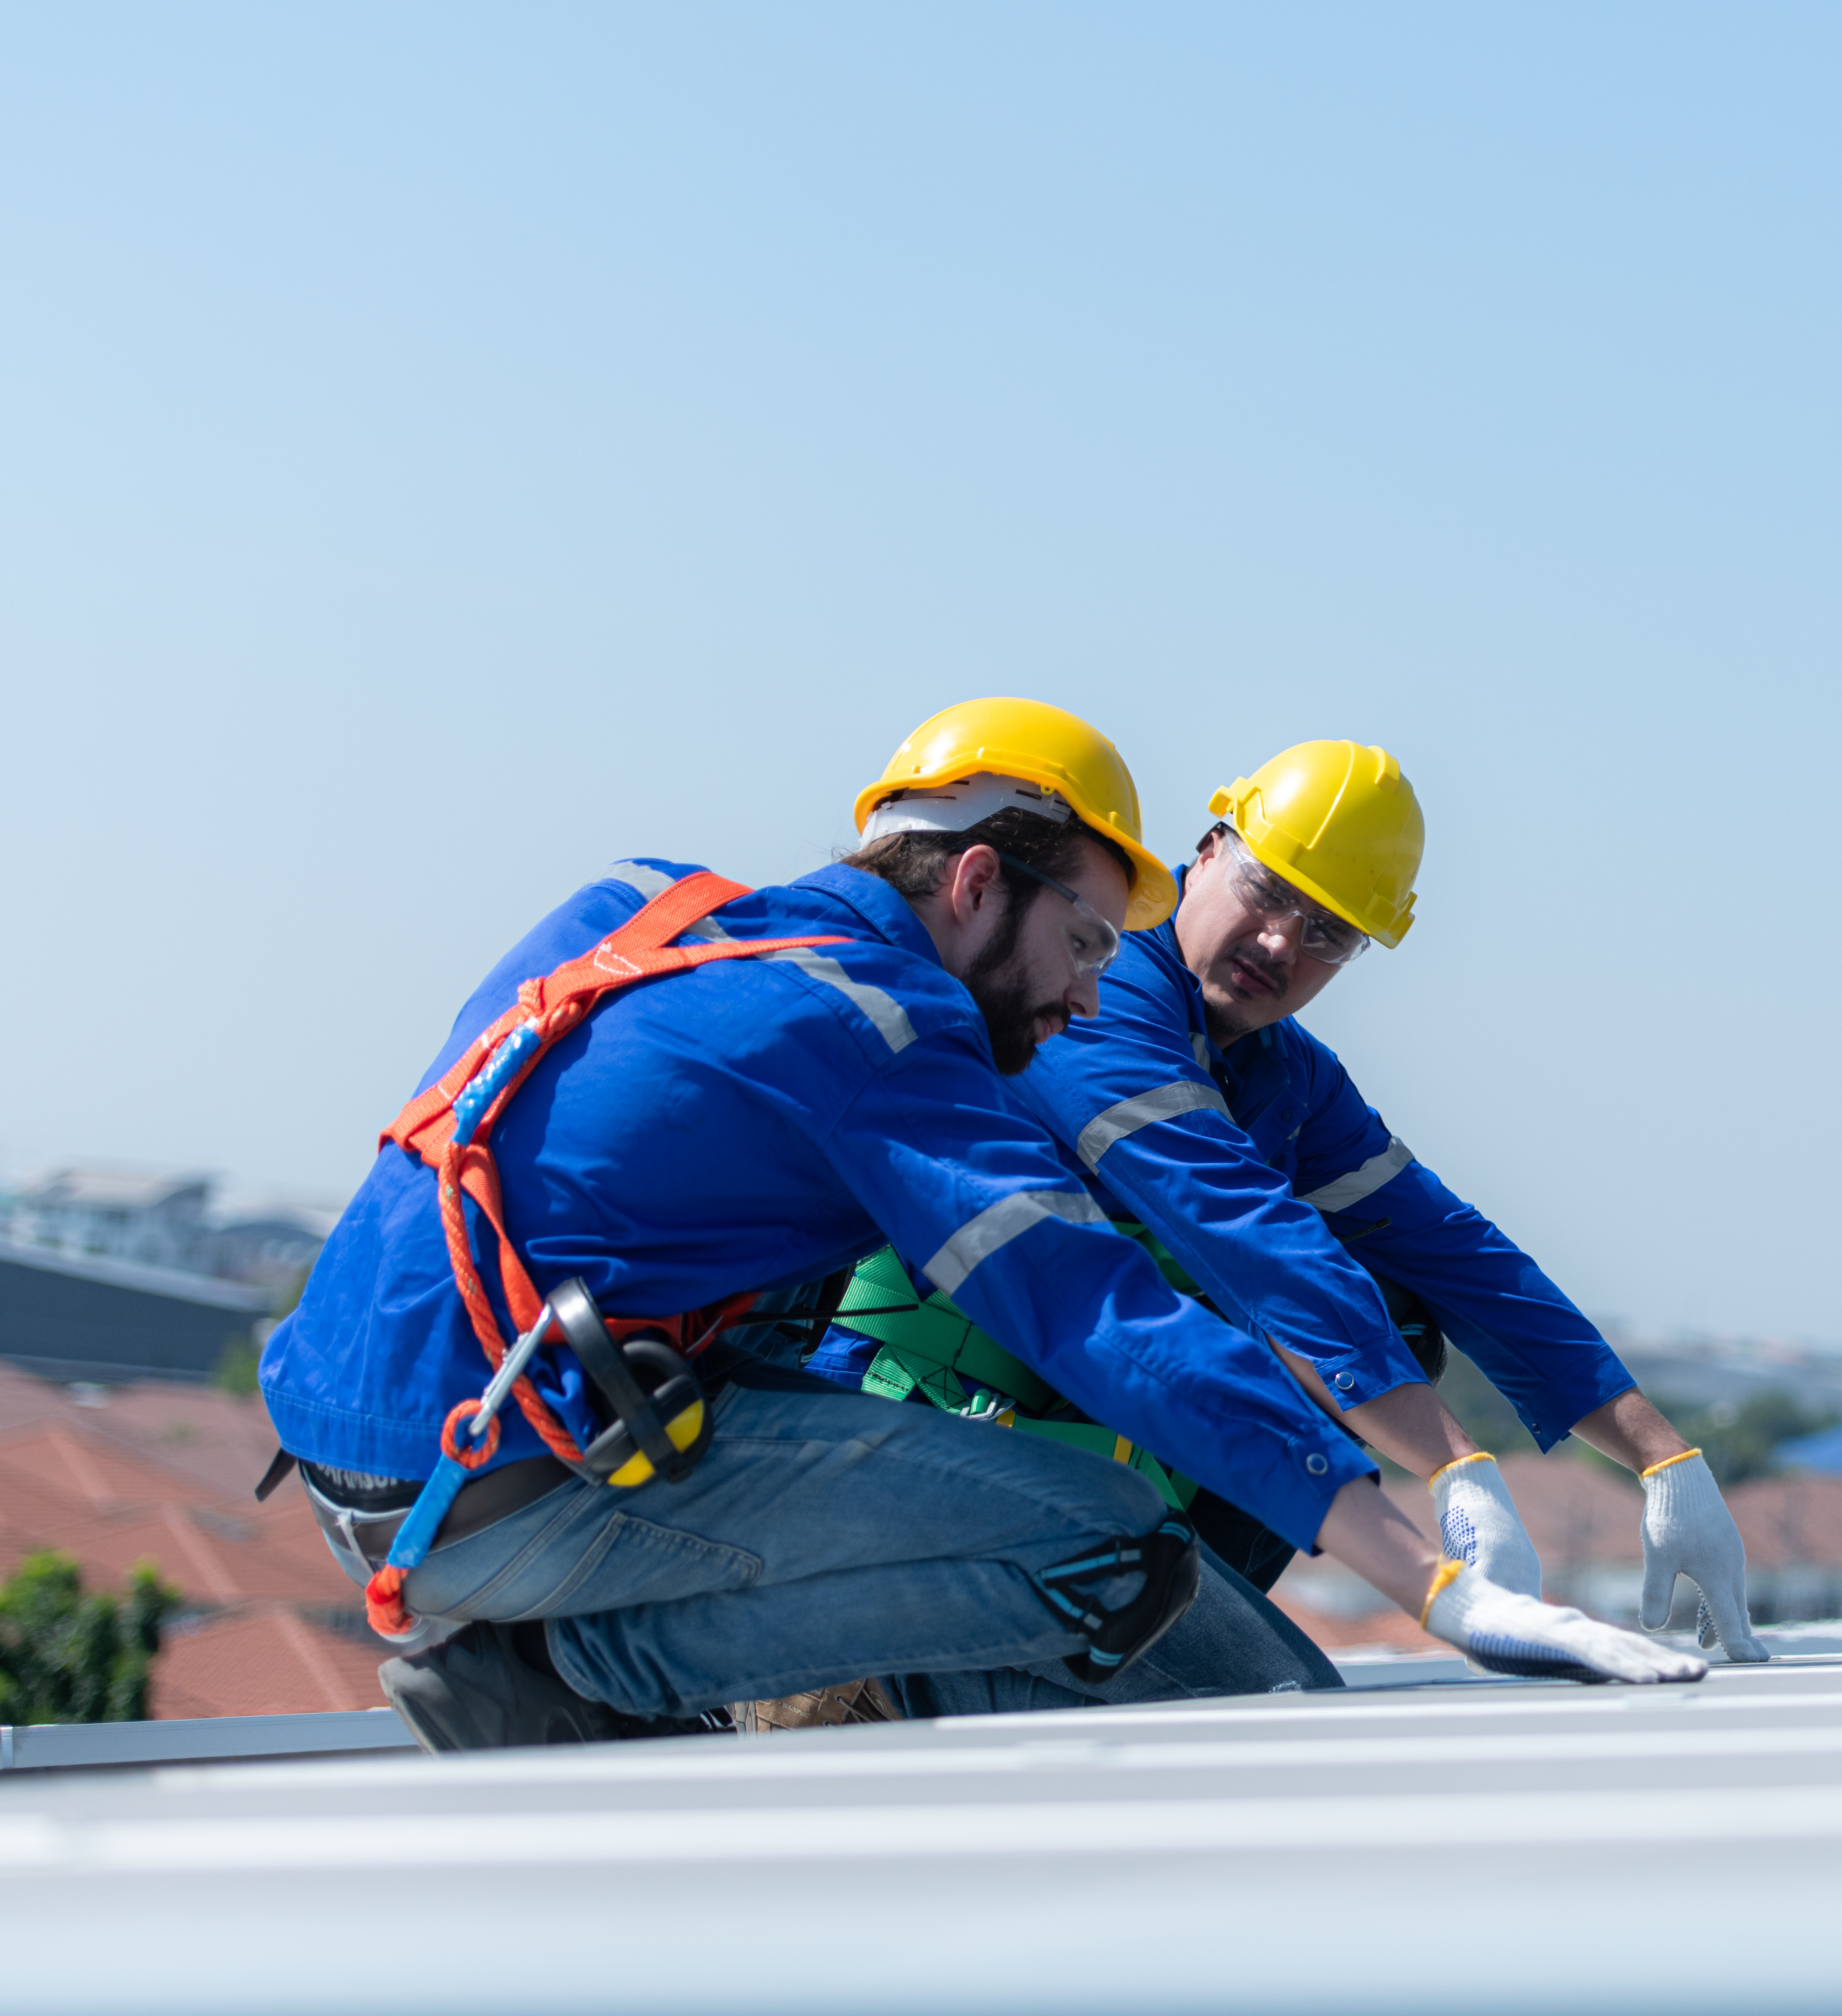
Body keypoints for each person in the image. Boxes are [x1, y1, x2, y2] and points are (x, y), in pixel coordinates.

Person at [257, 698, 1702, 1751]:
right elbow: (1101, 1310)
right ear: (970, 883)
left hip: (368, 1427)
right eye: (1082, 940)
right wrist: (1431, 1575)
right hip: (498, 1492)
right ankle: (577, 1666)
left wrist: (1658, 1454)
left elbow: (1430, 1243)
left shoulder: (648, 906)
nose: (1086, 990)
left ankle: (546, 1619)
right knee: (1110, 1553)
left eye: (1330, 932)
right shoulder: (888, 1032)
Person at [811, 738, 1767, 1675]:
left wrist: (1663, 1460)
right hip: (909, 1423)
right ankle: (866, 1671)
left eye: (1330, 933)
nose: (1281, 944)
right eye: (1269, 893)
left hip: (1058, 1448)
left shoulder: (1282, 1075)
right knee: (1271, 1695)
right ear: (1207, 852)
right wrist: (1456, 1467)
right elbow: (1245, 1234)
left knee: (1395, 1322)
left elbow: (1452, 1253)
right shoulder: (1088, 995)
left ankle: (1135, 1604)